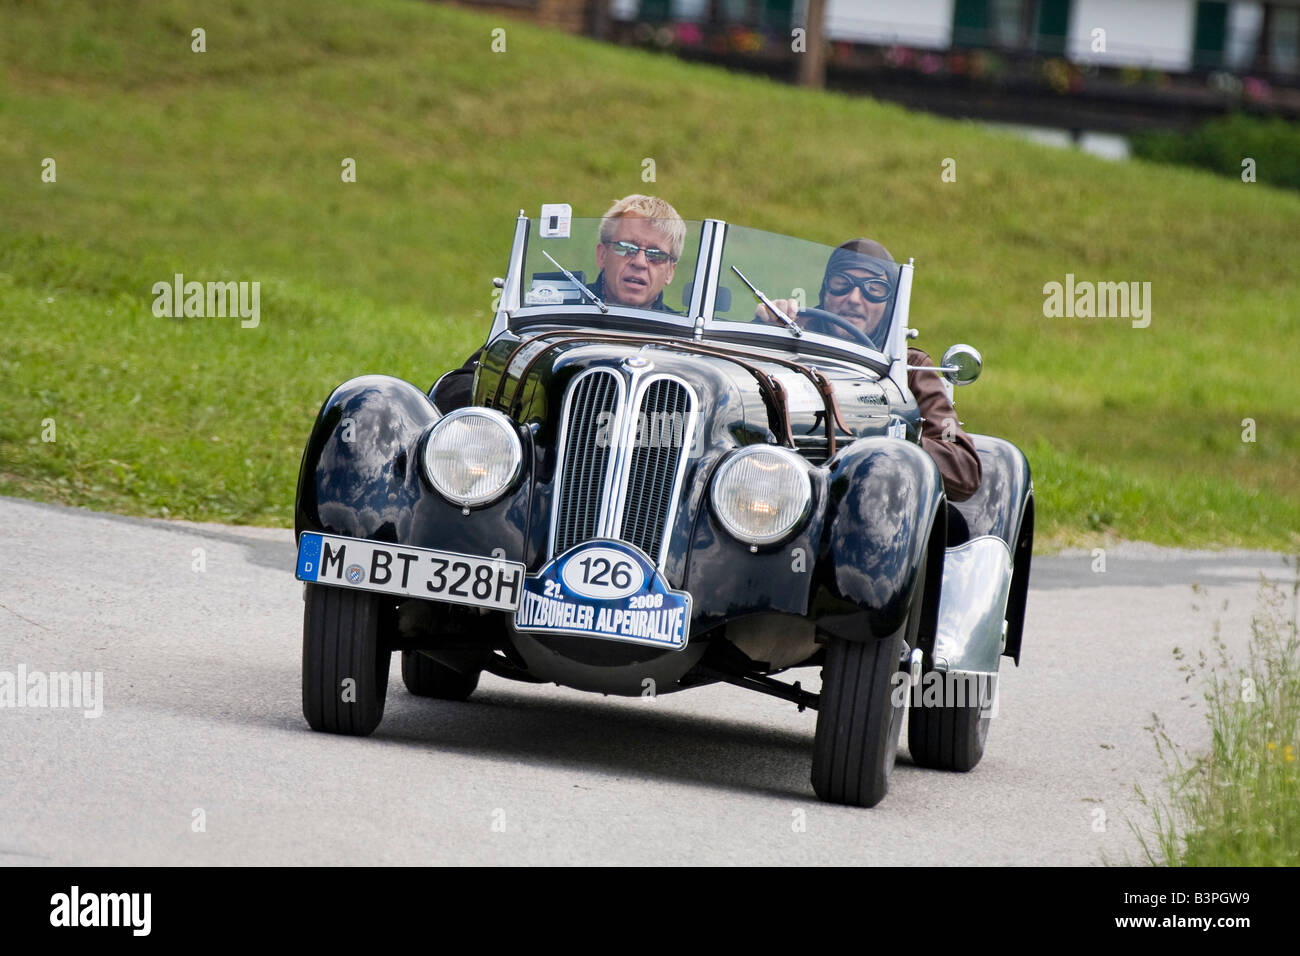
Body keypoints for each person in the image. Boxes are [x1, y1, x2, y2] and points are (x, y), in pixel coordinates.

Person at [755, 239, 982, 502]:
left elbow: (964, 469)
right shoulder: (787, 335)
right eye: (841, 284)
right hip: (768, 490)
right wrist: (766, 324)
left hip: (875, 502)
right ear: (824, 291)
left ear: (890, 304)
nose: (853, 299)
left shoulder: (910, 369)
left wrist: (899, 437)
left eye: (874, 289)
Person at [434, 195, 684, 410]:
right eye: (626, 247)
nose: (640, 262)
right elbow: (459, 387)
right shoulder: (552, 317)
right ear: (602, 255)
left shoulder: (684, 341)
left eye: (655, 255)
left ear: (671, 271)